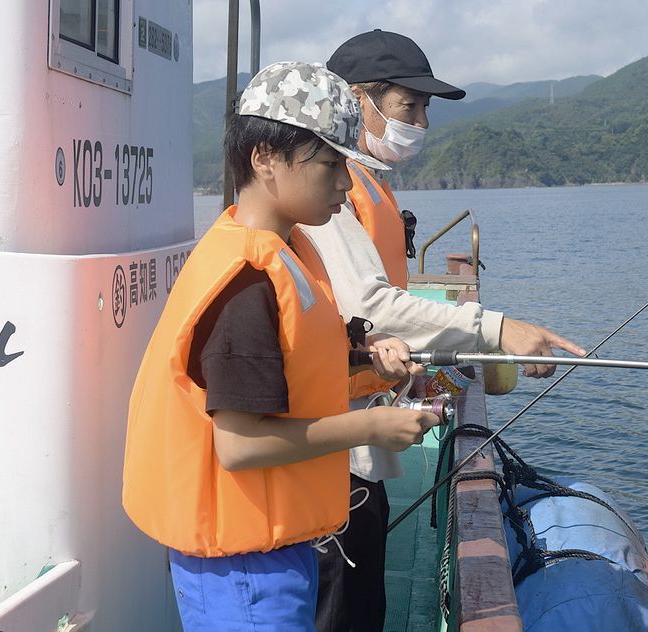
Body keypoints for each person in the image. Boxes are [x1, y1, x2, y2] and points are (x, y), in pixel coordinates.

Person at [121, 61, 439, 632]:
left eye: (346, 166)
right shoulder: (246, 281)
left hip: (277, 547)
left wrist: (363, 356)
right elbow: (240, 444)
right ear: (264, 158)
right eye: (329, 165)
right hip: (242, 570)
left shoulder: (285, 251)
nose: (345, 184)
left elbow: (288, 358)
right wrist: (371, 427)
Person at [302, 31, 587, 631]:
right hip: (329, 452)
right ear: (356, 99)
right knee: (341, 610)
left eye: (424, 109)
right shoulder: (329, 192)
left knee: (363, 604)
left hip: (357, 439)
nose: (421, 122)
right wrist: (496, 330)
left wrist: (418, 370)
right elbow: (370, 306)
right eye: (409, 106)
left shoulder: (367, 182)